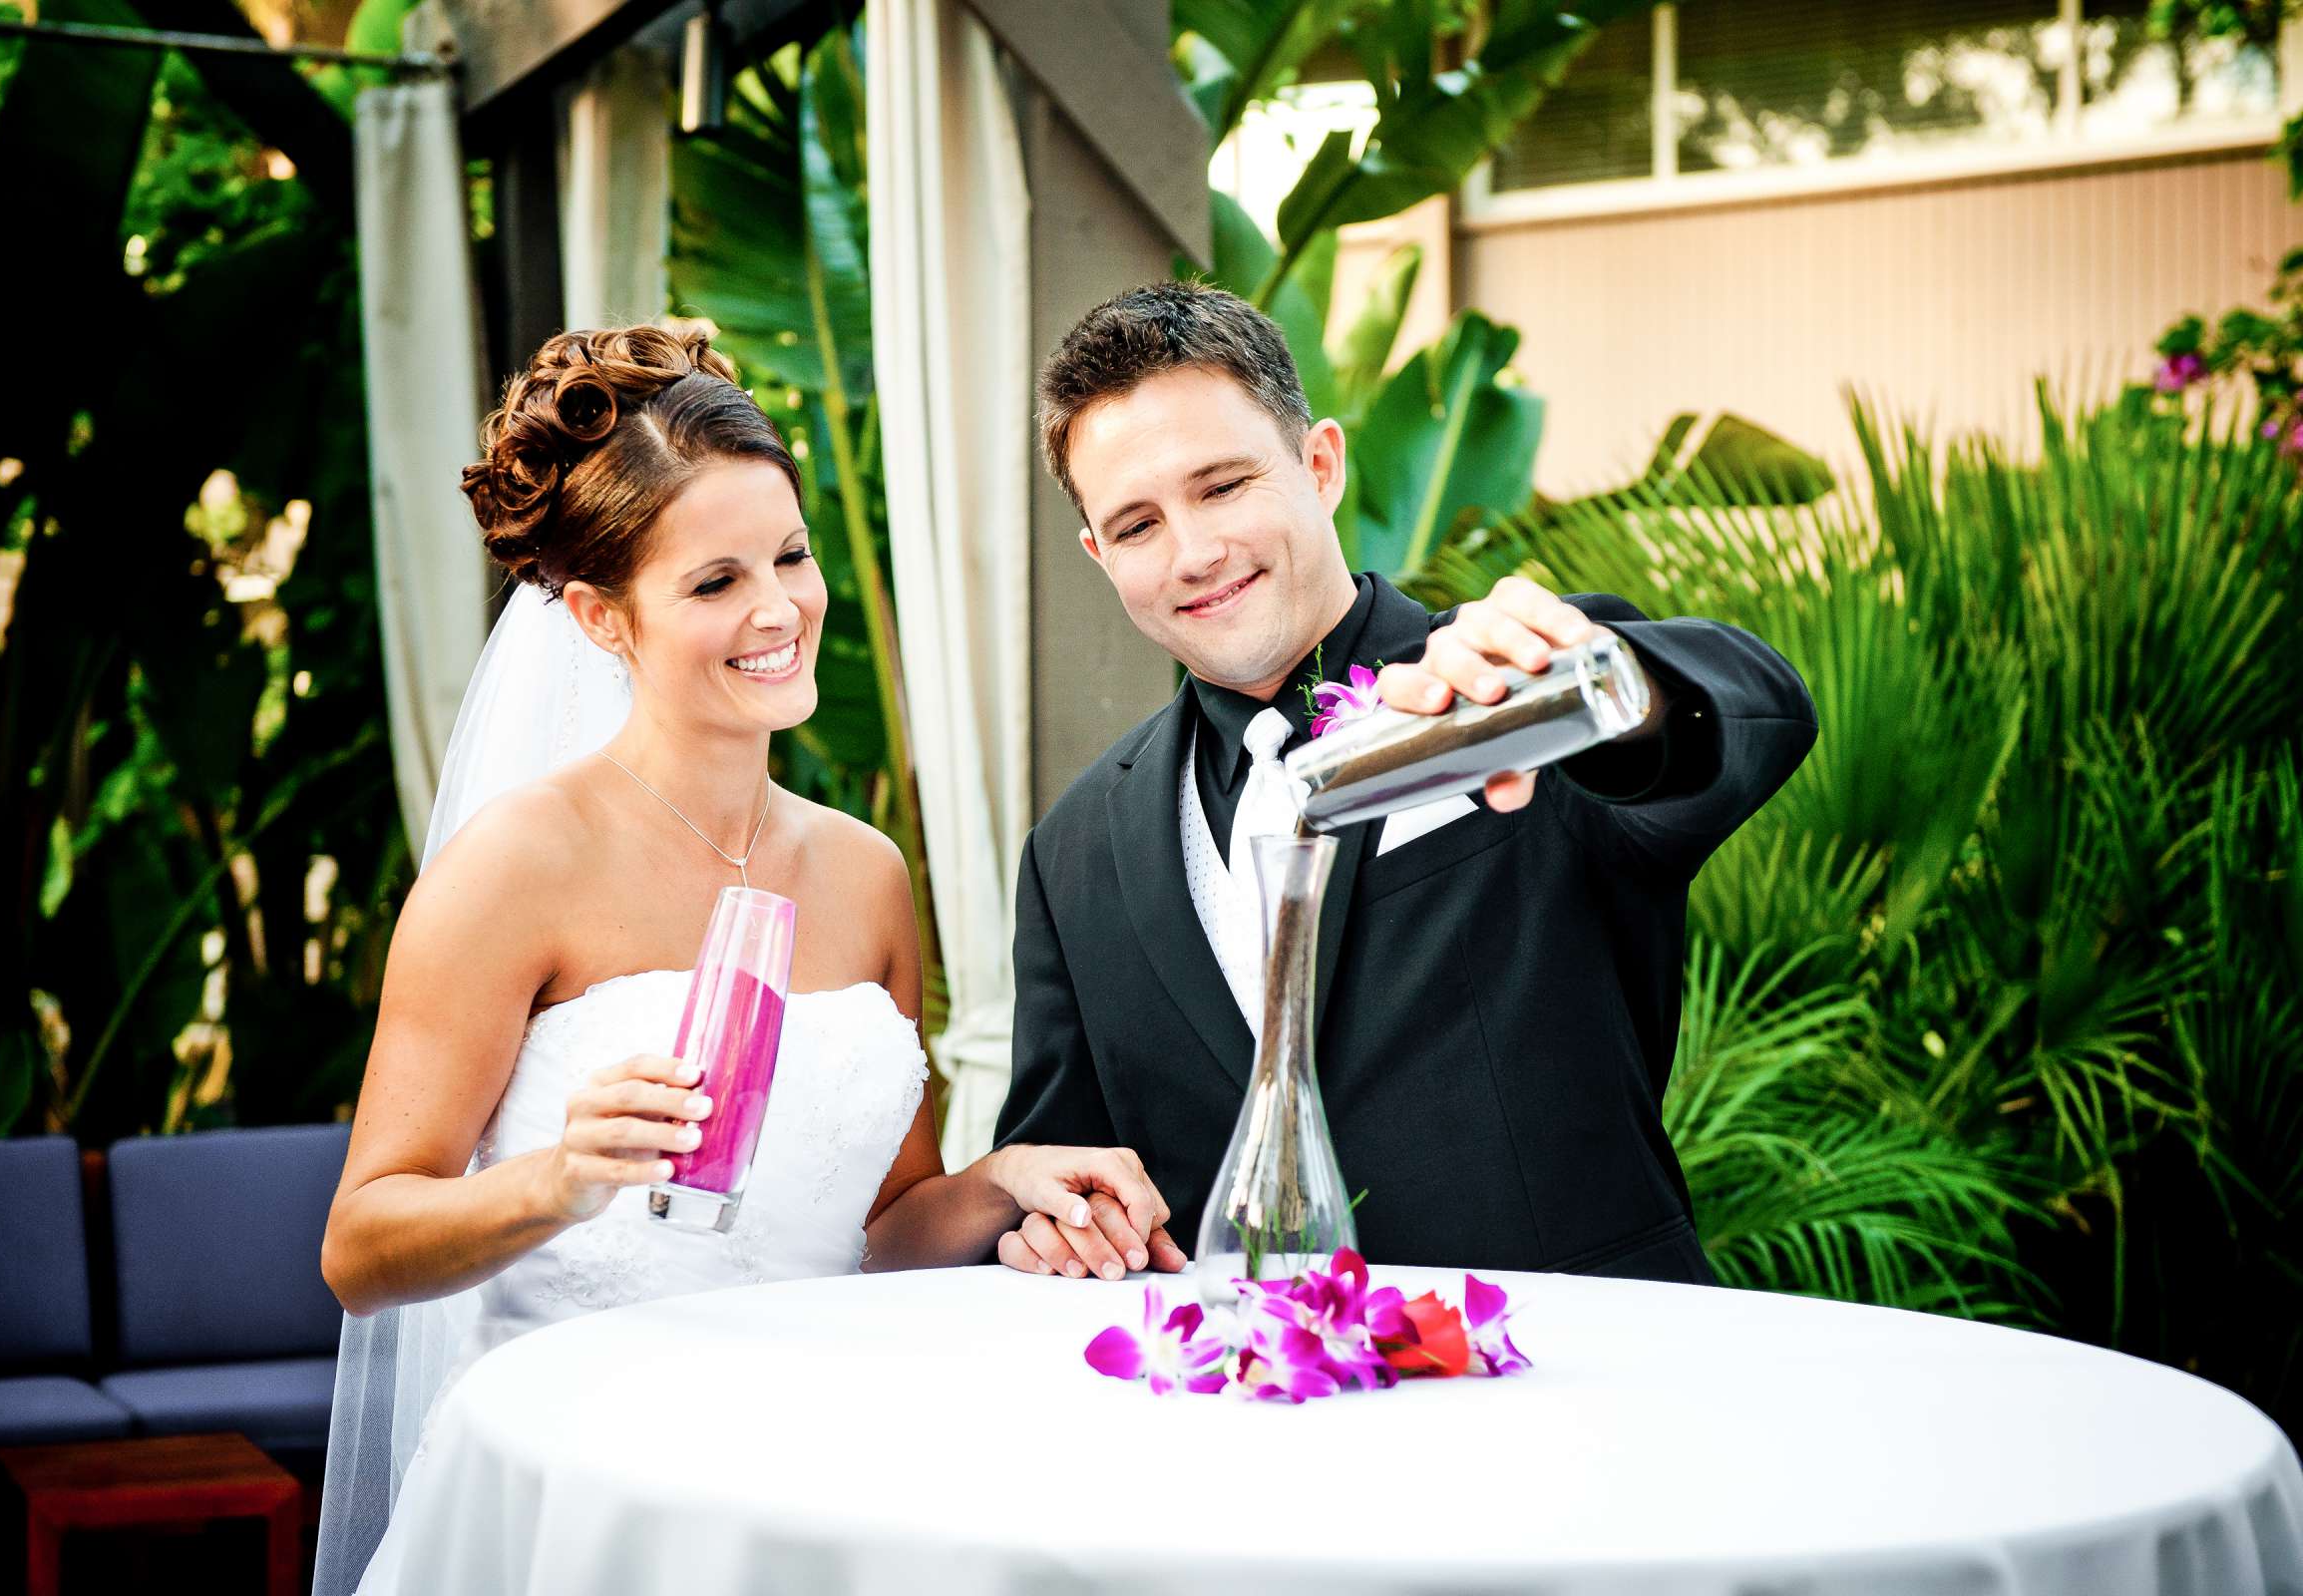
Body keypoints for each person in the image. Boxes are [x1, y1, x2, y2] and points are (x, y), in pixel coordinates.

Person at [311, 326, 1171, 1596]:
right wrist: (557, 1178)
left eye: (791, 555)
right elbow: (362, 1246)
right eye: (714, 582)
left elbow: (880, 1230)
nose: (778, 609)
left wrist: (1005, 1180)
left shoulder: (867, 870)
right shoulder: (514, 868)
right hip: (595, 1483)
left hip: (829, 1468)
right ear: (604, 616)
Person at [991, 281, 1817, 1286]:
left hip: (1574, 1378)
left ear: (1321, 463)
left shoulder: (1511, 683)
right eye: (1137, 525)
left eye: (1221, 487)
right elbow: (1068, 1172)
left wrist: (1603, 686)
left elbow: (1752, 710)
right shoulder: (1073, 851)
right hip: (1244, 1405)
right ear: (1098, 555)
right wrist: (1057, 1226)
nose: (1194, 552)